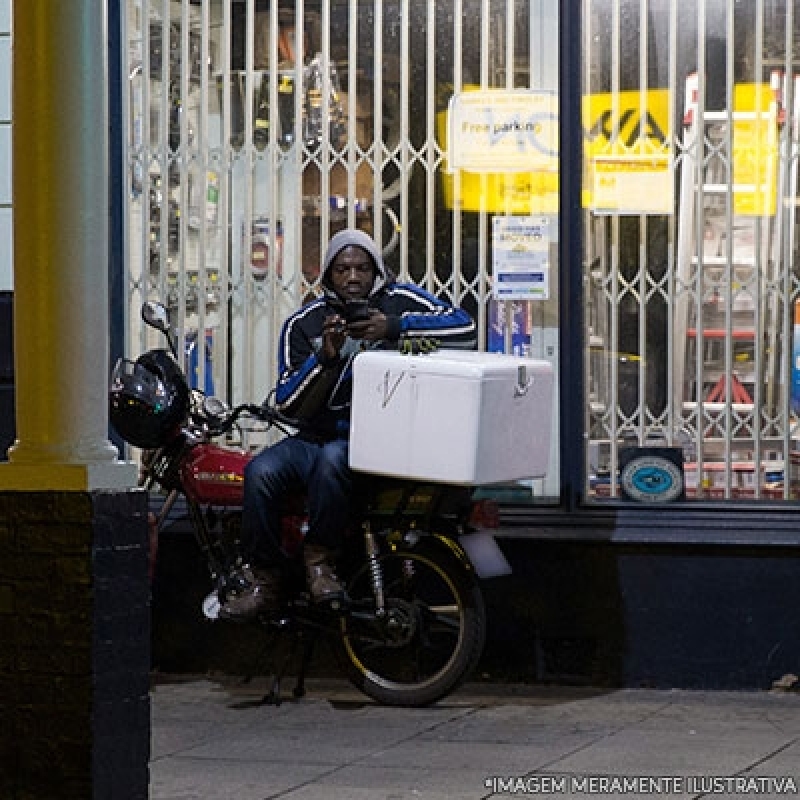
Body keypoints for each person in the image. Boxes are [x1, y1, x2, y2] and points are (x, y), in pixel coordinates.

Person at [220, 228, 476, 618]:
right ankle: (265, 578)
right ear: (328, 276)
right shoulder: (304, 324)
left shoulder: (400, 300)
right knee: (260, 471)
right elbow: (289, 405)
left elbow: (465, 328)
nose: (353, 277)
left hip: (377, 441)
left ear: (376, 271)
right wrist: (324, 358)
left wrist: (392, 327)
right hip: (314, 437)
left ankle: (320, 561)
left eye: (361, 268)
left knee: (333, 461)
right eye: (342, 269)